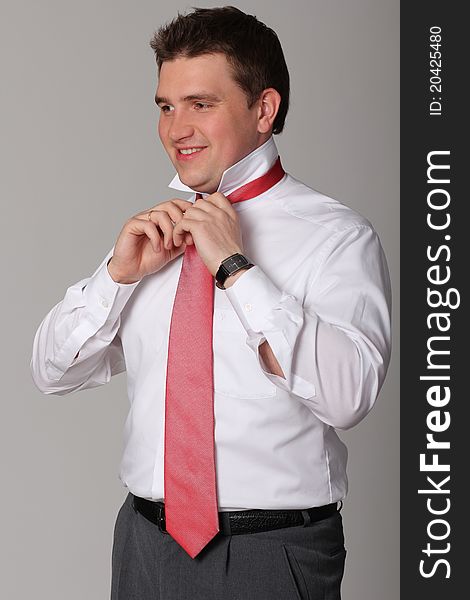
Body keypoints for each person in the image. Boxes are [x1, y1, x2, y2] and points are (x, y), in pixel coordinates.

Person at [31, 6, 391, 599]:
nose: (177, 129)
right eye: (166, 107)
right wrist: (118, 277)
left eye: (201, 104)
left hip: (271, 554)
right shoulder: (156, 236)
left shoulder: (337, 237)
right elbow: (52, 372)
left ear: (263, 110)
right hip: (144, 545)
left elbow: (348, 396)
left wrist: (235, 268)